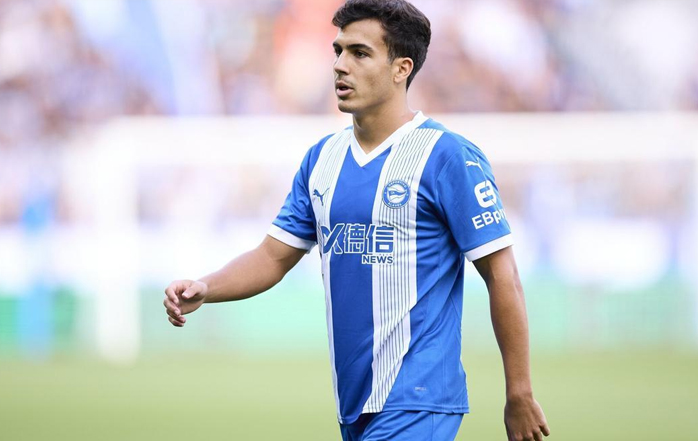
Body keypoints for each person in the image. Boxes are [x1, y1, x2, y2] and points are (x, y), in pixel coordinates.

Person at [163, 1, 550, 439]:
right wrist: (207, 287)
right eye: (338, 51)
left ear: (401, 68)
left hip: (418, 399)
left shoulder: (445, 156)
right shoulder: (322, 159)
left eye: (360, 53)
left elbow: (502, 274)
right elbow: (272, 257)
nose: (340, 65)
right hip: (354, 405)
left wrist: (519, 392)